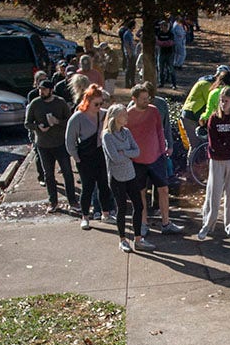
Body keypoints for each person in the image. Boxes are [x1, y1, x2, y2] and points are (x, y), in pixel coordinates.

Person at [127, 83, 181, 235]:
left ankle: (166, 222)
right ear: (134, 99)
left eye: (148, 98)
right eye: (143, 99)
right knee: (141, 192)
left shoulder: (155, 110)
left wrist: (165, 148)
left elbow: (160, 130)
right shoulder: (129, 114)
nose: (147, 101)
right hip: (138, 160)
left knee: (163, 189)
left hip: (157, 157)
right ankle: (143, 223)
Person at [198, 89, 230, 241]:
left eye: (226, 101)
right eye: (221, 100)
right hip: (217, 159)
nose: (223, 104)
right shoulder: (214, 118)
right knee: (214, 192)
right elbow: (213, 141)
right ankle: (208, 224)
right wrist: (225, 147)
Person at [102, 104, 153, 253]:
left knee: (139, 205)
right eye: (124, 115)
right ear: (115, 117)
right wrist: (127, 153)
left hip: (130, 174)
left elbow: (136, 151)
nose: (126, 117)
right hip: (117, 176)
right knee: (122, 208)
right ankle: (122, 239)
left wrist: (123, 151)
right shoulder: (107, 135)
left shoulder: (126, 132)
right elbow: (115, 158)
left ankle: (138, 239)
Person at [64, 84, 114, 231]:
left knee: (104, 185)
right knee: (87, 187)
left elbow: (115, 116)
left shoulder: (103, 114)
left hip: (100, 154)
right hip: (85, 157)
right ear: (87, 102)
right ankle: (85, 216)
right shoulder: (77, 117)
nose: (99, 106)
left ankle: (106, 213)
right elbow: (69, 141)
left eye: (101, 103)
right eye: (96, 104)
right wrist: (76, 158)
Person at [24, 79, 77, 214]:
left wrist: (57, 121)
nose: (41, 92)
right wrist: (37, 127)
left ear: (51, 90)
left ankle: (73, 201)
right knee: (48, 174)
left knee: (67, 172)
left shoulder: (60, 103)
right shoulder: (35, 104)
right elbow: (27, 123)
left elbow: (70, 121)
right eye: (40, 89)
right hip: (43, 144)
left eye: (44, 90)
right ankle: (53, 202)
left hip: (60, 143)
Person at [181, 65, 230, 150]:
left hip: (196, 115)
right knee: (195, 145)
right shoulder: (207, 84)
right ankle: (191, 163)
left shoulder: (209, 82)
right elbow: (212, 103)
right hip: (191, 115)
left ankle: (201, 162)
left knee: (203, 144)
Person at [26, 70, 50, 186]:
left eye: (45, 79)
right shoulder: (32, 95)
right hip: (36, 128)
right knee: (38, 152)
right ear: (36, 82)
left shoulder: (51, 94)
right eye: (40, 80)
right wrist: (36, 127)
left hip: (50, 128)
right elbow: (30, 117)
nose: (43, 83)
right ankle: (42, 176)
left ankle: (49, 176)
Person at [154, 19, 177, 89]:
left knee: (171, 69)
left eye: (163, 26)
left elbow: (171, 43)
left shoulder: (170, 34)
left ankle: (174, 84)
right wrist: (164, 43)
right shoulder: (159, 34)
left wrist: (163, 43)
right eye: (161, 26)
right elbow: (157, 42)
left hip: (169, 53)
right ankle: (161, 83)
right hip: (161, 53)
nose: (161, 27)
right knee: (160, 69)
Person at [119, 20, 137, 88]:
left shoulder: (130, 34)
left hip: (133, 53)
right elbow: (126, 45)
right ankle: (127, 83)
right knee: (129, 68)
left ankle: (132, 82)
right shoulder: (127, 34)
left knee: (133, 68)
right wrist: (129, 54)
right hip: (130, 54)